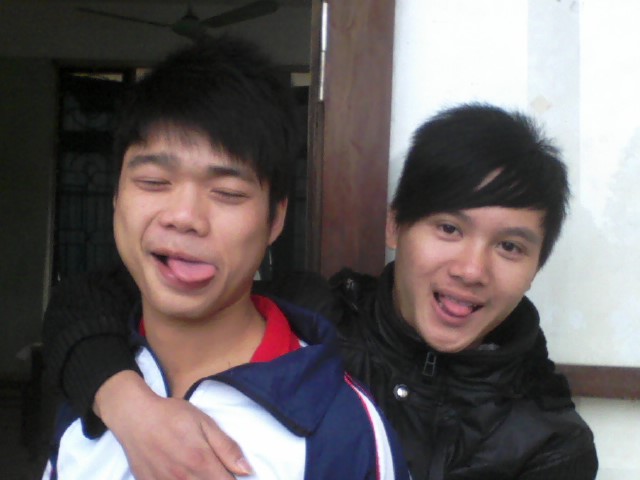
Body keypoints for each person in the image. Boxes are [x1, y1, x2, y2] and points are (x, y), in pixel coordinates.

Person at [43, 103, 599, 479]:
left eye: (510, 246)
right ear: (395, 225)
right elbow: (96, 298)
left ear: (536, 265)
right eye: (449, 229)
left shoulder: (552, 444)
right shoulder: (317, 314)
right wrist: (129, 406)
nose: (472, 269)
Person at [41, 35, 409, 480]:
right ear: (116, 198)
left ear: (276, 219)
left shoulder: (344, 431)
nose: (185, 217)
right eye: (154, 181)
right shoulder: (89, 393)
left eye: (228, 193)